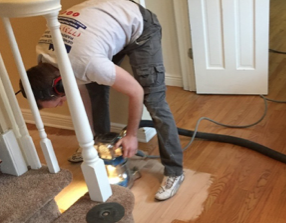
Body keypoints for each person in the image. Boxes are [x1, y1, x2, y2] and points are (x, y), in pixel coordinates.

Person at [23, 0, 184, 201]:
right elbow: (82, 99)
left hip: (139, 27)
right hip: (101, 27)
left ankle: (174, 171)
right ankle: (100, 147)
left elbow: (135, 92)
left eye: (58, 101)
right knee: (94, 91)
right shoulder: (45, 58)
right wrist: (88, 143)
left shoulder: (87, 63)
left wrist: (132, 135)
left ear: (60, 86)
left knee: (153, 99)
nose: (62, 104)